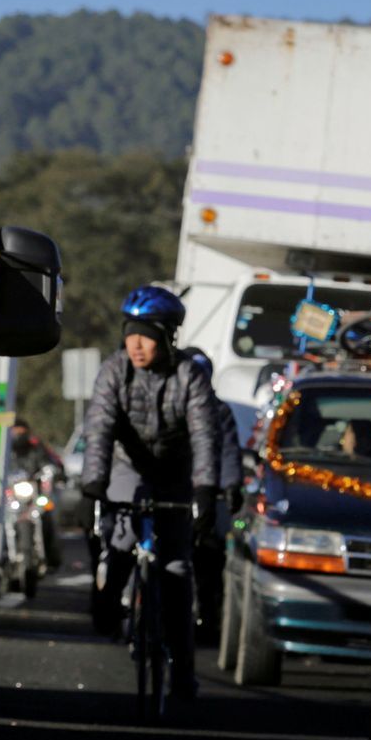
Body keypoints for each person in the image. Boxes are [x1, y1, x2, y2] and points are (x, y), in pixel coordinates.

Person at [79, 286, 222, 696]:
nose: (137, 344)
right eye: (130, 333)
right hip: (128, 467)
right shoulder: (114, 371)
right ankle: (108, 600)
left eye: (147, 335)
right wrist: (94, 483)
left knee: (177, 571)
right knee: (120, 541)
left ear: (167, 337)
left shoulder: (189, 376)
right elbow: (100, 428)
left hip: (176, 473)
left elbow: (205, 436)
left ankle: (182, 673)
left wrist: (206, 490)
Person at [181, 347, 244, 642]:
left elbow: (229, 451)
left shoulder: (220, 411)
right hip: (174, 489)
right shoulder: (172, 400)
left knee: (208, 557)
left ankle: (208, 615)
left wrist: (231, 485)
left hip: (206, 494)